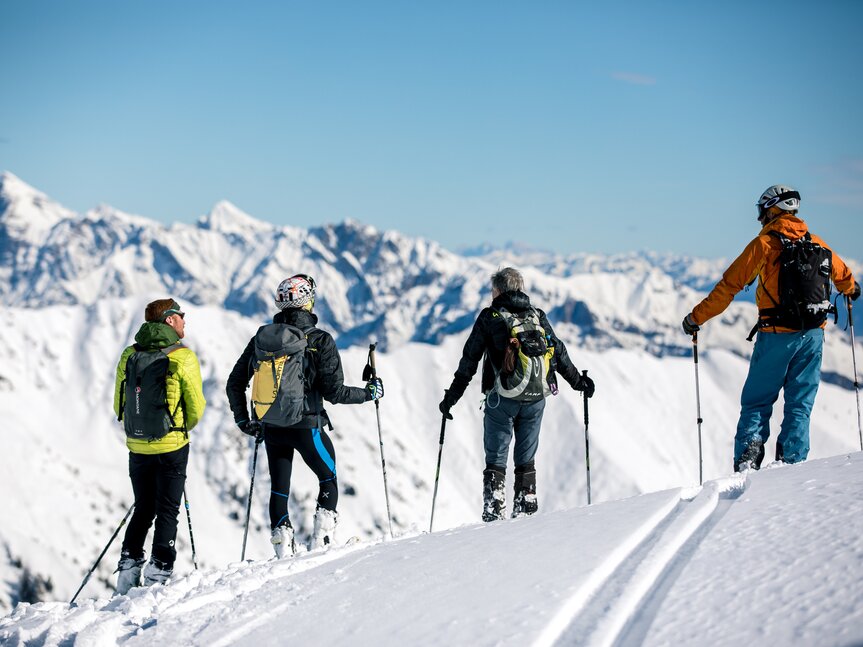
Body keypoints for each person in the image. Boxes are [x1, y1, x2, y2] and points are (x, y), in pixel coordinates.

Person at [682, 184, 859, 472]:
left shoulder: (764, 246)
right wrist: (852, 291)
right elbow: (845, 278)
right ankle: (793, 462)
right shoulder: (818, 243)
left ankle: (748, 457)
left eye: (761, 211)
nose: (759, 218)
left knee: (757, 402)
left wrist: (695, 318)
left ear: (772, 210)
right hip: (814, 335)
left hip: (776, 335)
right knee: (800, 405)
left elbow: (728, 287)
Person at [226, 274, 383, 557]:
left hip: (271, 426)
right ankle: (322, 540)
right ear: (308, 302)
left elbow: (235, 382)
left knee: (279, 488)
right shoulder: (320, 340)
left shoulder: (262, 340)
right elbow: (336, 393)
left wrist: (243, 420)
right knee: (328, 477)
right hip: (308, 425)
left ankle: (282, 547)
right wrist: (369, 393)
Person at [439, 267, 595, 522]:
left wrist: (451, 398)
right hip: (536, 399)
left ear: (498, 290)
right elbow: (558, 351)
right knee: (526, 460)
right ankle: (525, 509)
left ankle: (494, 510)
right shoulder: (537, 315)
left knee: (497, 459)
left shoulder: (490, 317)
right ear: (520, 289)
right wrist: (579, 383)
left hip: (502, 399)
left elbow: (470, 359)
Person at [113, 299, 207, 594]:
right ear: (168, 320)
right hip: (172, 446)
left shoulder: (130, 353)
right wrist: (180, 429)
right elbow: (196, 407)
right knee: (168, 510)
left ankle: (128, 572)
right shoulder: (183, 356)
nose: (183, 321)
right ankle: (158, 573)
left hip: (137, 445)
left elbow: (120, 402)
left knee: (143, 508)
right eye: (180, 316)